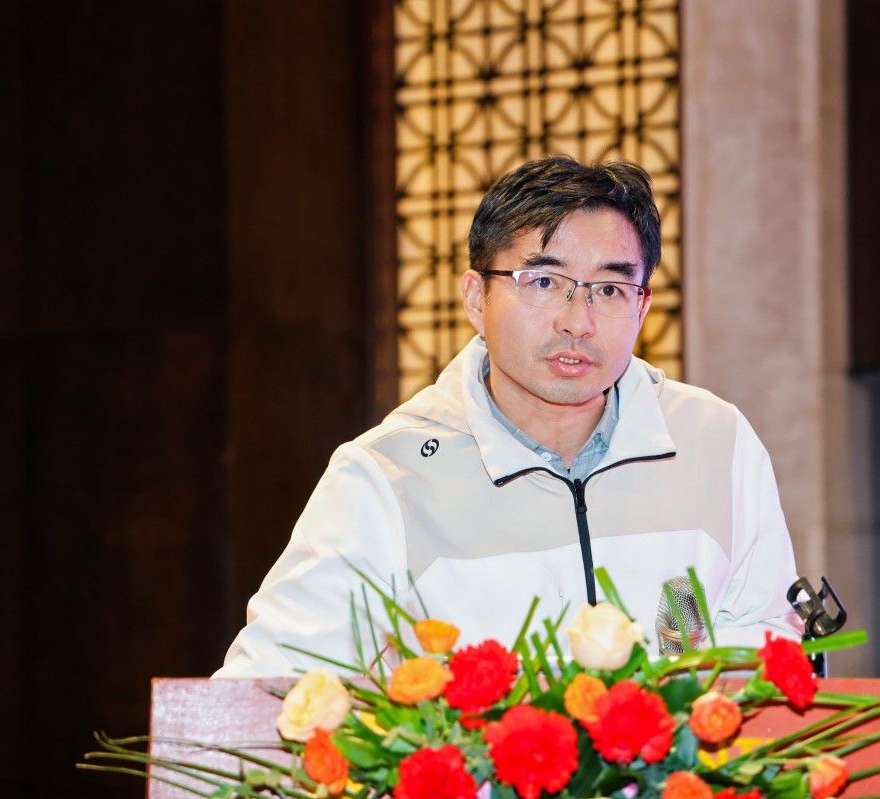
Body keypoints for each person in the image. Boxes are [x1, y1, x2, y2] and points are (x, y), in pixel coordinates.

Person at [215, 156, 801, 678]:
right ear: (477, 298)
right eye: (543, 281)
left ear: (643, 306)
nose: (578, 322)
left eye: (610, 290)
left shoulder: (713, 441)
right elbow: (272, 684)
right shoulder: (385, 476)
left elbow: (766, 636)